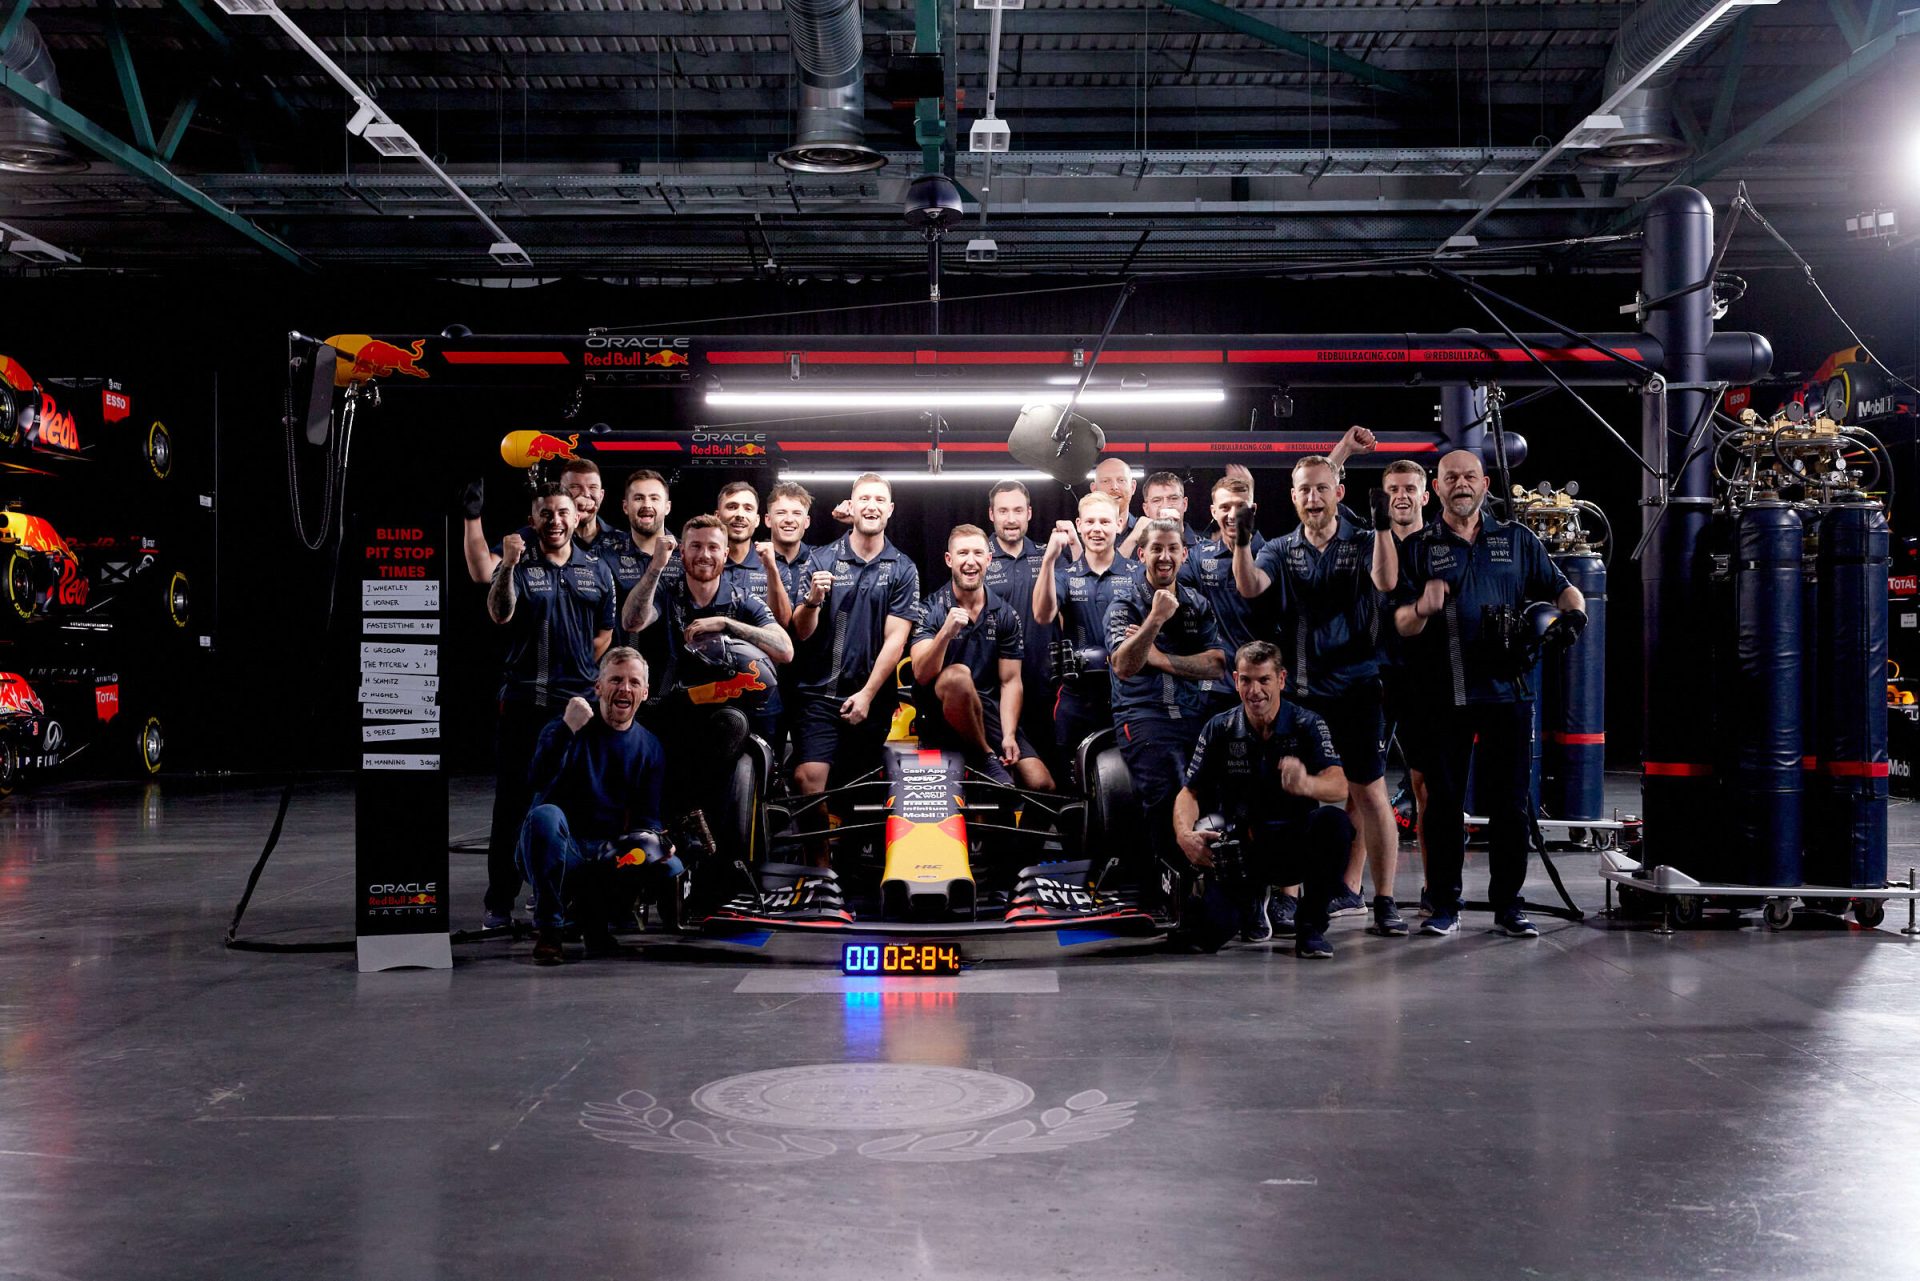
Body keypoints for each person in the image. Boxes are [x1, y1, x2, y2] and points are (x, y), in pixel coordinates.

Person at [1392, 449, 1587, 939]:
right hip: (1443, 696)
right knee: (1442, 804)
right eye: (1451, 477)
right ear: (1437, 488)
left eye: (1469, 476)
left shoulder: (1517, 539)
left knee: (1510, 806)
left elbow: (1563, 588)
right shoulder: (1417, 547)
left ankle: (1508, 906)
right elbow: (1399, 623)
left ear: (1485, 485)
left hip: (1508, 695)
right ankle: (1443, 905)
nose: (1460, 484)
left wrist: (1575, 615)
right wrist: (1422, 607)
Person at [1232, 441, 1405, 938]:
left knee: (1369, 792)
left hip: (1356, 688)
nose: (1313, 498)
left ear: (1338, 493)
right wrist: (1242, 543)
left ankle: (1385, 900)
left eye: (1322, 489)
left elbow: (1386, 581)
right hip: (1303, 693)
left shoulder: (1364, 539)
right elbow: (1250, 586)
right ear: (1293, 496)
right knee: (1290, 792)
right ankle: (1288, 898)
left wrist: (1383, 527)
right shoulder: (1279, 547)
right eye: (1305, 490)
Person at [483, 483, 617, 928]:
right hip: (523, 704)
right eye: (545, 513)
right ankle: (498, 904)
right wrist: (508, 565)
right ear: (533, 519)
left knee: (575, 805)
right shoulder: (518, 565)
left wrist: (576, 675)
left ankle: (557, 893)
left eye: (563, 512)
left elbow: (603, 635)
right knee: (512, 804)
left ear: (577, 517)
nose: (555, 521)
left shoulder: (597, 570)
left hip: (576, 709)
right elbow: (499, 614)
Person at [1173, 641, 1354, 958]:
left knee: (1335, 824)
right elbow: (1190, 791)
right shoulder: (1220, 728)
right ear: (1235, 680)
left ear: (1281, 679)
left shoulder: (1307, 723)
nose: (1254, 691)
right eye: (1246, 680)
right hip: (1244, 850)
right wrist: (1184, 835)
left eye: (1263, 680)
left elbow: (1340, 787)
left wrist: (1307, 783)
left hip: (1296, 845)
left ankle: (1310, 927)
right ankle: (1250, 906)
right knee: (1201, 938)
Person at [789, 474, 923, 853]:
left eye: (879, 500)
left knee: (855, 790)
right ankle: (819, 868)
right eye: (864, 498)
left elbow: (896, 639)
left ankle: (850, 868)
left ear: (890, 510)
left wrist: (867, 694)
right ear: (851, 506)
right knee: (808, 778)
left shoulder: (903, 568)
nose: (872, 506)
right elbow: (801, 632)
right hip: (818, 694)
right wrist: (812, 600)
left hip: (872, 698)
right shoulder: (821, 559)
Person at [1107, 518, 1229, 911]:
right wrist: (1155, 619)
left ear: (1184, 554)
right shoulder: (1125, 602)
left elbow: (1216, 665)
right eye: (1156, 548)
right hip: (1143, 715)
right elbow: (1124, 666)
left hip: (1194, 715)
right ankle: (1168, 895)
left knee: (1226, 787)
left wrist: (1160, 658)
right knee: (1170, 787)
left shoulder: (1198, 603)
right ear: (1142, 554)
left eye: (1172, 548)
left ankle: (1225, 888)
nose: (1164, 556)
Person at [516, 647, 666, 964]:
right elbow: (536, 779)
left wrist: (658, 843)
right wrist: (566, 730)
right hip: (558, 846)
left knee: (659, 855)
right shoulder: (566, 726)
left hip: (604, 853)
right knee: (545, 815)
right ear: (598, 687)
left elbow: (647, 817)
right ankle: (550, 931)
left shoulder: (650, 746)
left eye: (634, 682)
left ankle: (593, 922)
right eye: (616, 680)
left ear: (645, 692)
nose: (625, 688)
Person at [622, 513, 793, 748]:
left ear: (725, 554)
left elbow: (785, 650)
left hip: (737, 714)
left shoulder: (742, 599)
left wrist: (727, 623)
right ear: (682, 552)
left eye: (713, 547)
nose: (704, 555)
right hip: (678, 713)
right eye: (696, 546)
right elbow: (631, 622)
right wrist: (656, 566)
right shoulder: (666, 592)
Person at [910, 524, 1054, 789]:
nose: (970, 561)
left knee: (1041, 784)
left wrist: (1009, 735)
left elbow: (1010, 681)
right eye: (962, 553)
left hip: (986, 712)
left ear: (988, 559)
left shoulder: (1005, 614)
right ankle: (985, 756)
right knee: (958, 676)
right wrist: (945, 634)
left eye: (978, 553)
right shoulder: (929, 608)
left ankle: (996, 774)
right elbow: (921, 674)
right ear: (949, 559)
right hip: (940, 715)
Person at [1032, 491, 1142, 756]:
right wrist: (1048, 560)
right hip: (1077, 695)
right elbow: (1042, 615)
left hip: (1129, 693)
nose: (1097, 529)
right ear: (1079, 526)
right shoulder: (1065, 576)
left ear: (1118, 524)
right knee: (1071, 768)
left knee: (1127, 771)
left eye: (1105, 522)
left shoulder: (1139, 574)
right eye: (1090, 522)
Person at [1377, 459, 1436, 912]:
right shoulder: (1367, 544)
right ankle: (1352, 892)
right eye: (1393, 489)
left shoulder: (1438, 547)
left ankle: (1435, 890)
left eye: (1409, 488)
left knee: (1426, 789)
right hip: (1372, 676)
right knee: (1361, 788)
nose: (1401, 496)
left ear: (1424, 495)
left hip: (1423, 679)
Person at [982, 479, 1060, 775]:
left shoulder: (1048, 554)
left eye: (1017, 510)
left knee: (1050, 774)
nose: (1011, 519)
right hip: (994, 690)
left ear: (1029, 513)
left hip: (1045, 687)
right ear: (992, 514)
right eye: (1003, 511)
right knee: (1003, 772)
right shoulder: (978, 557)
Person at [1179, 474, 1268, 660]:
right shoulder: (1199, 555)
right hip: (1215, 672)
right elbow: (1165, 584)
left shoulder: (1273, 555)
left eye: (1240, 507)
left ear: (1253, 510)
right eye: (1225, 507)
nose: (1233, 515)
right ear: (1213, 512)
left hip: (1260, 670)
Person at [1118, 471, 1200, 557]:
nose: (1165, 506)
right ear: (1146, 509)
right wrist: (1132, 540)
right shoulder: (1131, 548)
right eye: (1156, 500)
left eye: (1173, 498)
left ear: (1184, 504)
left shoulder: (1203, 549)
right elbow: (1113, 566)